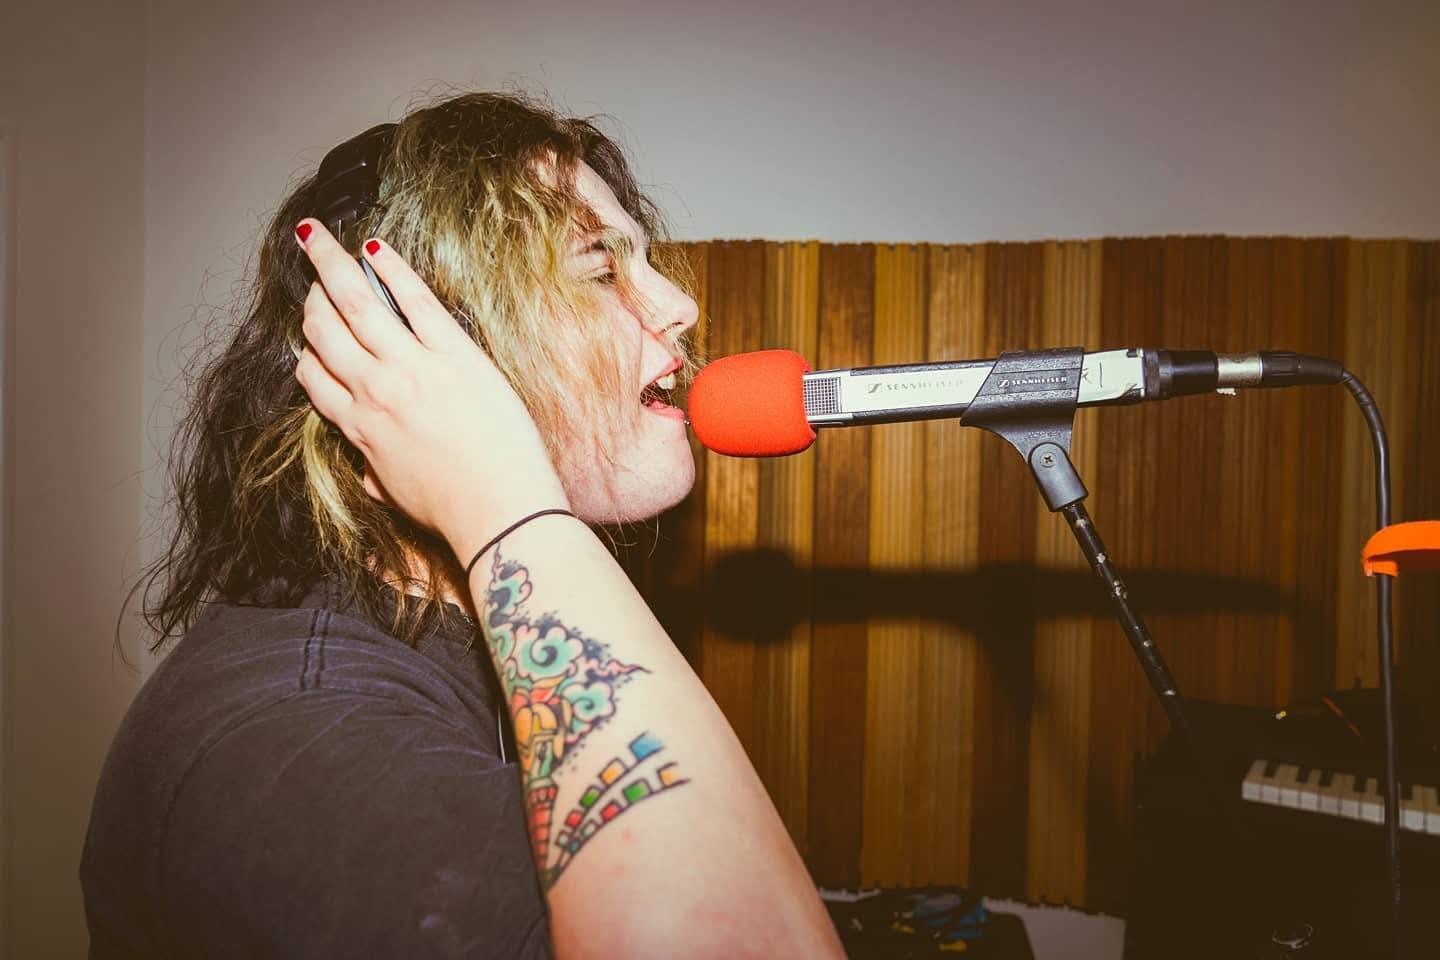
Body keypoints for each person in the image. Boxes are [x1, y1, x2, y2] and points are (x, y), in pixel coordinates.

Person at [82, 91, 844, 958]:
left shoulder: (452, 640)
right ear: (418, 351)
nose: (679, 305)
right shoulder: (295, 747)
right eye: (601, 271)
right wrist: (509, 505)